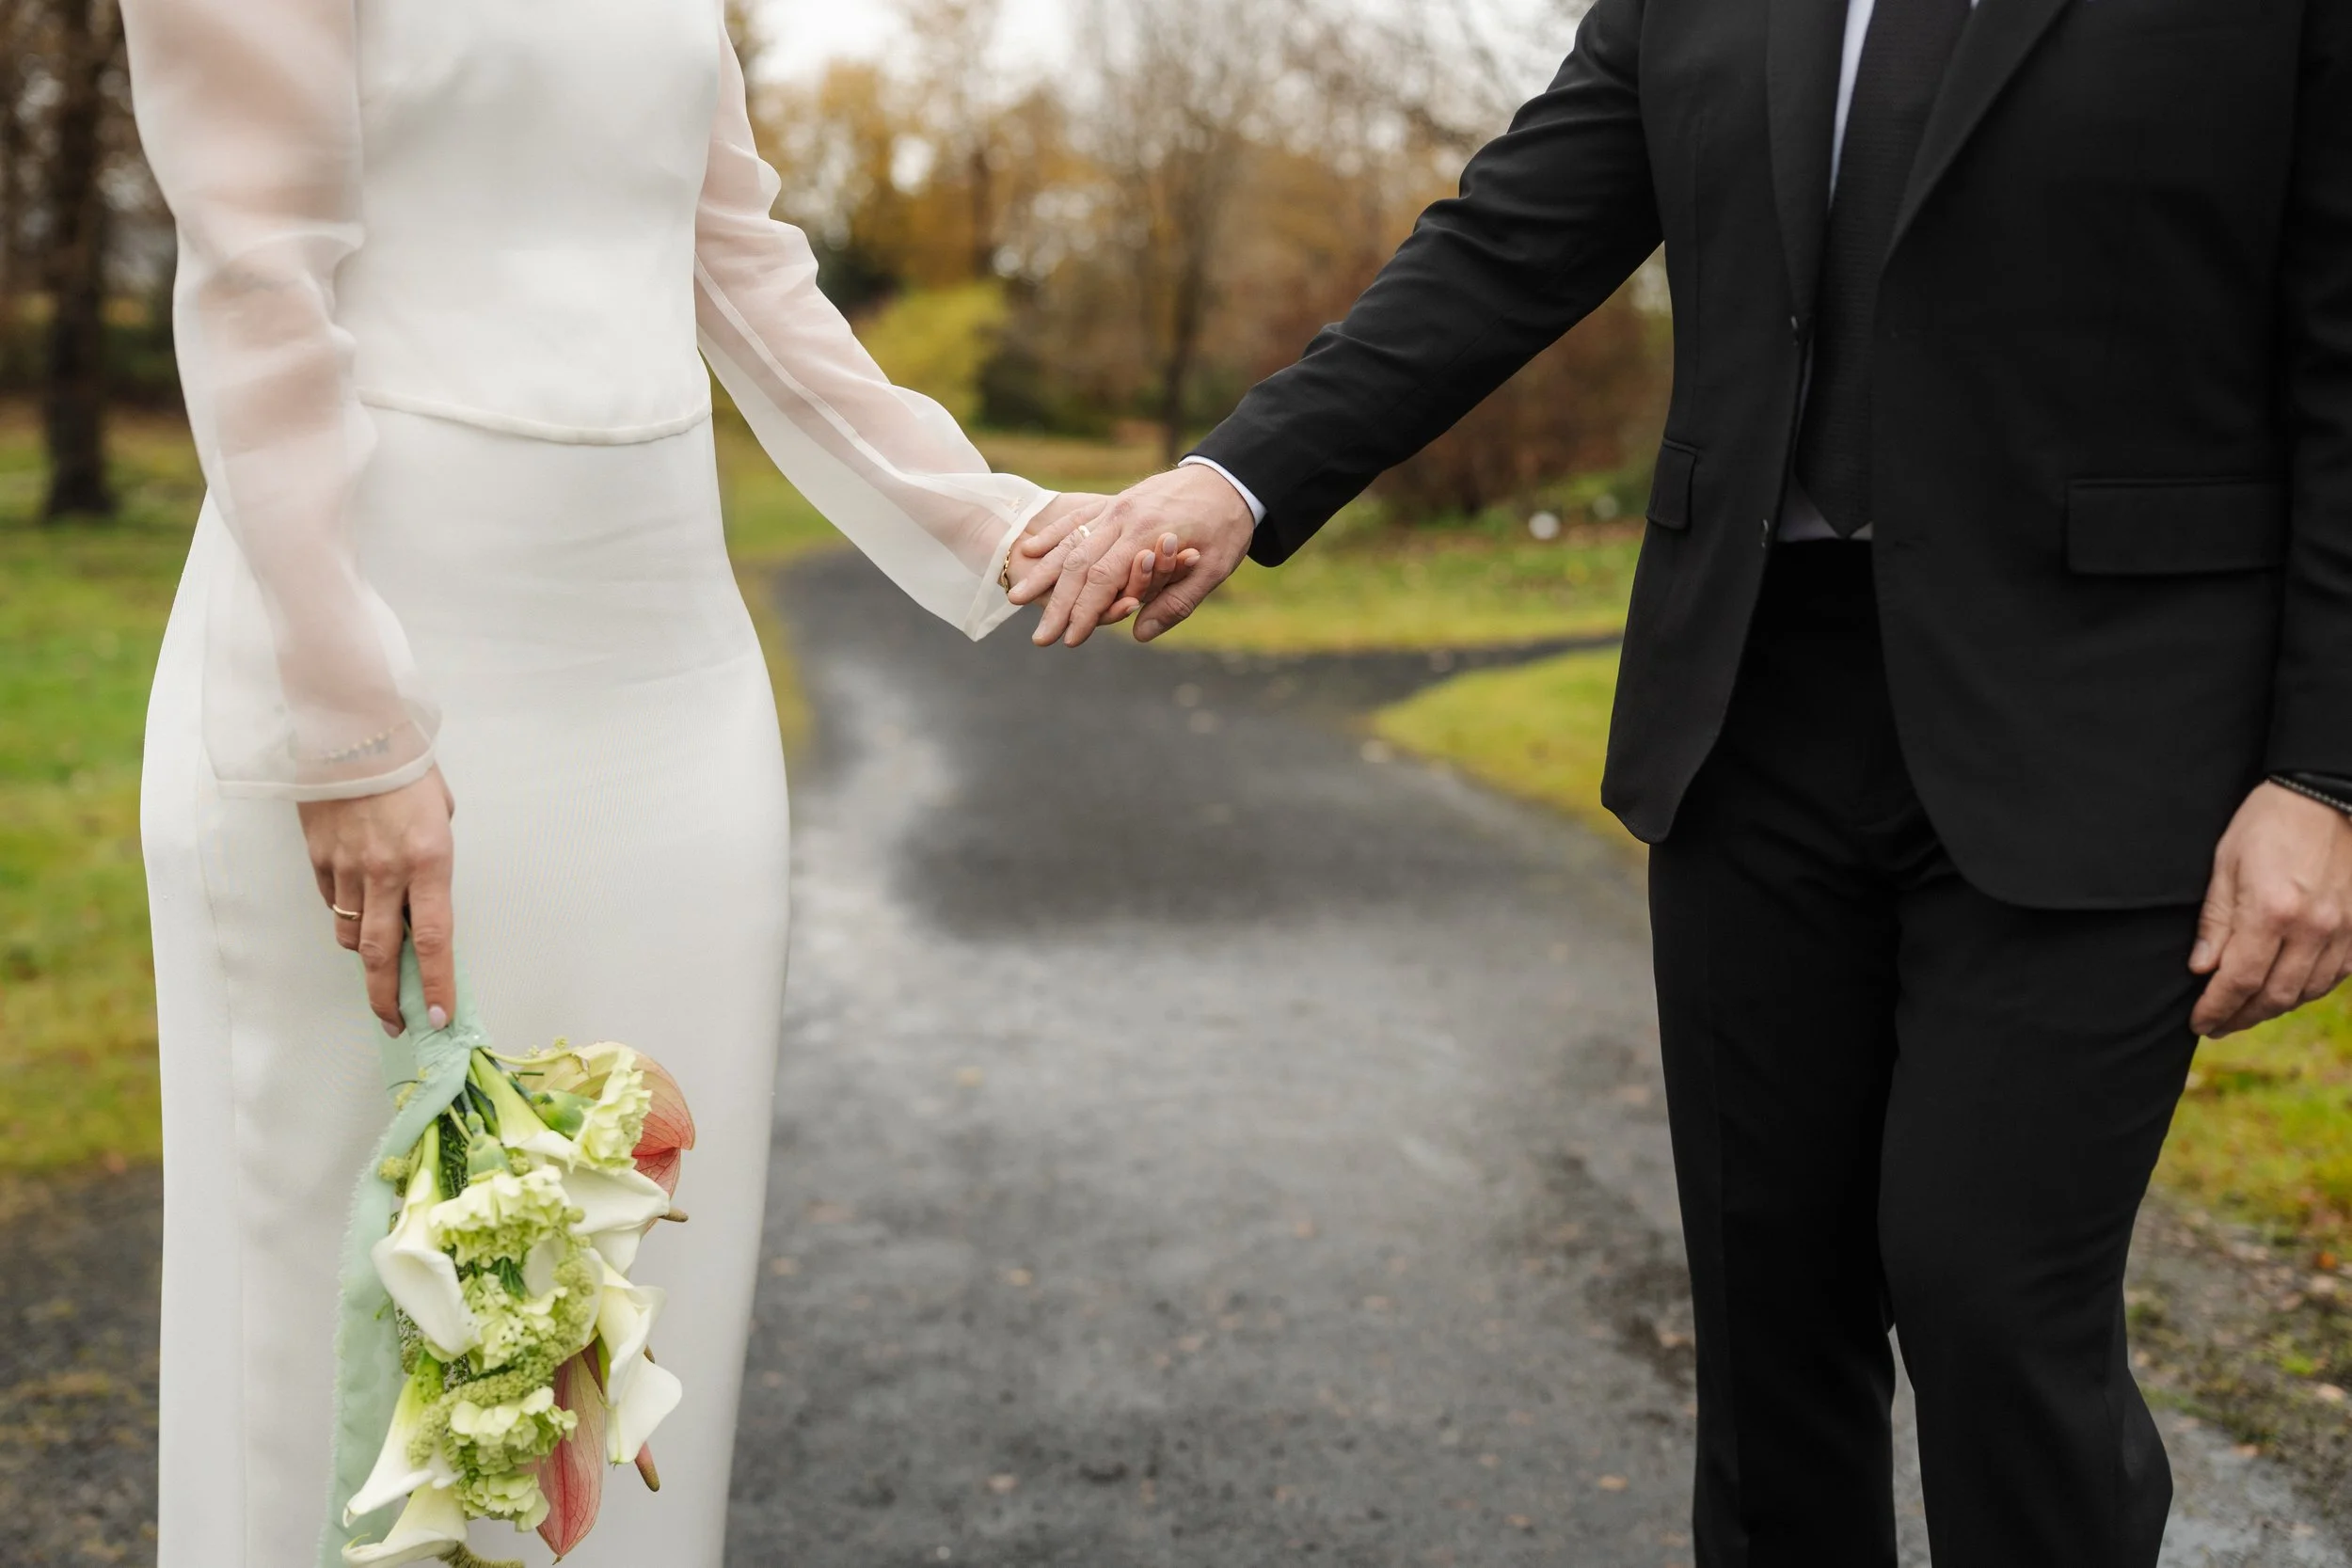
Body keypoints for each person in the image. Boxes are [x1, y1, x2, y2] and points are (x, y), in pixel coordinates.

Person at [1011, 0, 2352, 1561]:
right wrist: (1235, 475)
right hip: (1749, 716)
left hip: (2107, 722)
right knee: (1770, 1317)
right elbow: (1511, 239)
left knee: (1991, 1294)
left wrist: (2323, 769)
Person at [124, 2, 1189, 1563]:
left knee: (633, 1314)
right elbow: (254, 277)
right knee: (344, 1328)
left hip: (662, 677)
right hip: (372, 641)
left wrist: (992, 521)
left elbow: (737, 262)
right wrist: (350, 724)